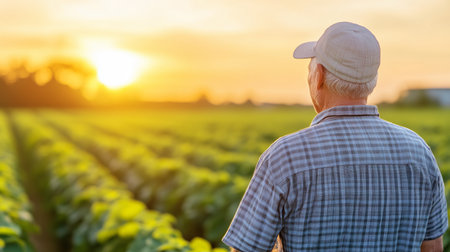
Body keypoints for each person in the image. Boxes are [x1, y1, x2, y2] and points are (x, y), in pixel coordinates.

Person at [222, 22, 448, 251]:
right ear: (371, 81)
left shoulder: (285, 156)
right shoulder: (419, 153)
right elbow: (433, 247)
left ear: (318, 76)